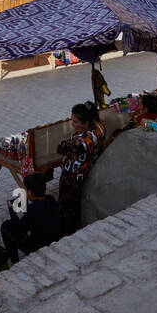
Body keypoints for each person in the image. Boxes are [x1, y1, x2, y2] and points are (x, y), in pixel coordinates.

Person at [56, 101, 106, 237]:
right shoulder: (100, 129)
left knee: (67, 211)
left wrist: (70, 142)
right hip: (84, 173)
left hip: (72, 180)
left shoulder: (82, 141)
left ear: (86, 123)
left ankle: (66, 236)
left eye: (76, 122)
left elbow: (60, 149)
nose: (73, 124)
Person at [0, 172, 60, 264]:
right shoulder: (50, 199)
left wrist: (11, 210)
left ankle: (15, 261)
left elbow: (19, 231)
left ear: (31, 192)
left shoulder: (32, 210)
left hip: (39, 248)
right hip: (54, 240)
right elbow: (39, 212)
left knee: (6, 226)